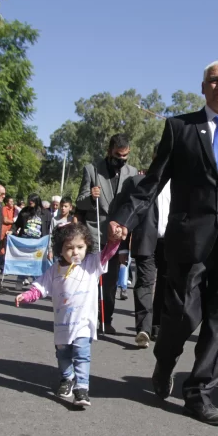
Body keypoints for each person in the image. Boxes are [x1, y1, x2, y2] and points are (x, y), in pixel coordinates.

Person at [109, 60, 218, 426]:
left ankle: (199, 393)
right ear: (203, 88)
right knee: (185, 315)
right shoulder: (180, 128)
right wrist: (124, 218)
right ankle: (165, 358)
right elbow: (153, 181)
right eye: (213, 80)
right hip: (189, 240)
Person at [15, 223, 119, 408]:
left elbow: (107, 254)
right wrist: (26, 296)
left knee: (81, 354)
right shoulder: (54, 270)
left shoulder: (92, 264)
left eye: (80, 247)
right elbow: (39, 288)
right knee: (63, 355)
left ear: (87, 246)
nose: (75, 252)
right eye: (69, 248)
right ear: (60, 249)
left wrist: (113, 241)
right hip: (62, 325)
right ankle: (67, 378)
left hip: (83, 324)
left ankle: (82, 388)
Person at [76, 133, 138, 334]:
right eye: (118, 156)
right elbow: (80, 202)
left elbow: (133, 205)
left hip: (117, 235)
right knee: (92, 280)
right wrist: (90, 197)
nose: (122, 160)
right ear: (109, 152)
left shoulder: (132, 172)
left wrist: (125, 228)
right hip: (95, 233)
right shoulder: (92, 170)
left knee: (110, 282)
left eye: (125, 156)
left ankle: (106, 319)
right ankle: (86, 319)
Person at [110, 156, 170, 348]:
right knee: (145, 281)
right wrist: (122, 247)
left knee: (166, 284)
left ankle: (157, 326)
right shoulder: (139, 183)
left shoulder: (180, 184)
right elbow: (128, 211)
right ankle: (143, 329)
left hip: (171, 242)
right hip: (145, 239)